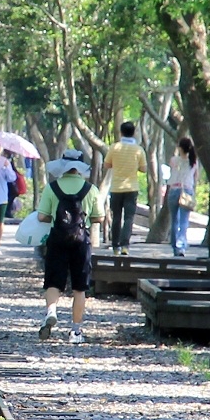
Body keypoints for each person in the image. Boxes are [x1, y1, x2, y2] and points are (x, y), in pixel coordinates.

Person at [37, 149, 104, 344]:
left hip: (57, 240)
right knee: (79, 288)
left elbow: (42, 216)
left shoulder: (52, 188)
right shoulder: (90, 189)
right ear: (80, 168)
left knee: (53, 282)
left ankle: (51, 311)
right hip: (81, 242)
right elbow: (99, 217)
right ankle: (75, 331)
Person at [102, 121, 147, 255]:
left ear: (121, 133)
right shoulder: (138, 150)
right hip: (131, 188)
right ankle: (125, 246)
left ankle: (115, 247)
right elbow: (144, 169)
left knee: (116, 217)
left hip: (116, 188)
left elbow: (106, 165)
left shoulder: (114, 148)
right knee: (129, 218)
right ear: (133, 133)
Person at [166, 137, 198, 257]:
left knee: (174, 220)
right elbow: (196, 177)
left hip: (174, 189)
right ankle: (181, 245)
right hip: (187, 191)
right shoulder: (194, 162)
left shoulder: (174, 160)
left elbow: (172, 173)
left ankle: (175, 247)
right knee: (184, 221)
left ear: (180, 147)